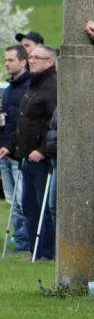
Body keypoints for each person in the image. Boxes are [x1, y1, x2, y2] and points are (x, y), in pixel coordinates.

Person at [0, 46, 57, 261]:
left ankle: (47, 252)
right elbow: (24, 122)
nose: (31, 60)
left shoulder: (52, 86)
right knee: (29, 206)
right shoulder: (33, 84)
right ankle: (34, 250)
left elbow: (51, 124)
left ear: (49, 62)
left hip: (41, 158)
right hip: (25, 155)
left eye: (36, 58)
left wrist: (42, 150)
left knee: (44, 207)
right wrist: (12, 147)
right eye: (30, 57)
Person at [0, 45, 30, 253]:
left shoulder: (27, 87)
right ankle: (20, 239)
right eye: (5, 60)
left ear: (23, 61)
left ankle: (23, 240)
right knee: (13, 201)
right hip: (5, 151)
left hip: (18, 153)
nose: (7, 64)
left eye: (11, 60)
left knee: (22, 200)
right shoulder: (9, 88)